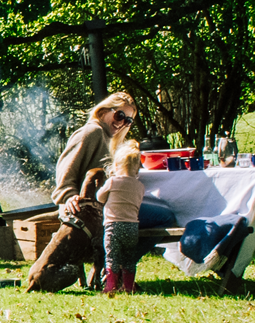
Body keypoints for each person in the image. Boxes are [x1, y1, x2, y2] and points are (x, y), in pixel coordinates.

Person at [50, 92, 176, 283]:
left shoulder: (108, 137)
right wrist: (69, 196)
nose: (122, 123)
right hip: (90, 210)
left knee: (156, 210)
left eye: (128, 121)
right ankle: (116, 269)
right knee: (165, 216)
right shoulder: (91, 132)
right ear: (104, 110)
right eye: (119, 116)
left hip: (107, 205)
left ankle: (111, 270)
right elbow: (65, 171)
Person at [97, 141, 145, 294]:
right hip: (132, 226)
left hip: (113, 226)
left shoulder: (112, 182)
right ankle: (128, 287)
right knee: (129, 259)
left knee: (112, 257)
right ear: (137, 167)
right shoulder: (140, 186)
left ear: (116, 166)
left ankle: (111, 287)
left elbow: (100, 197)